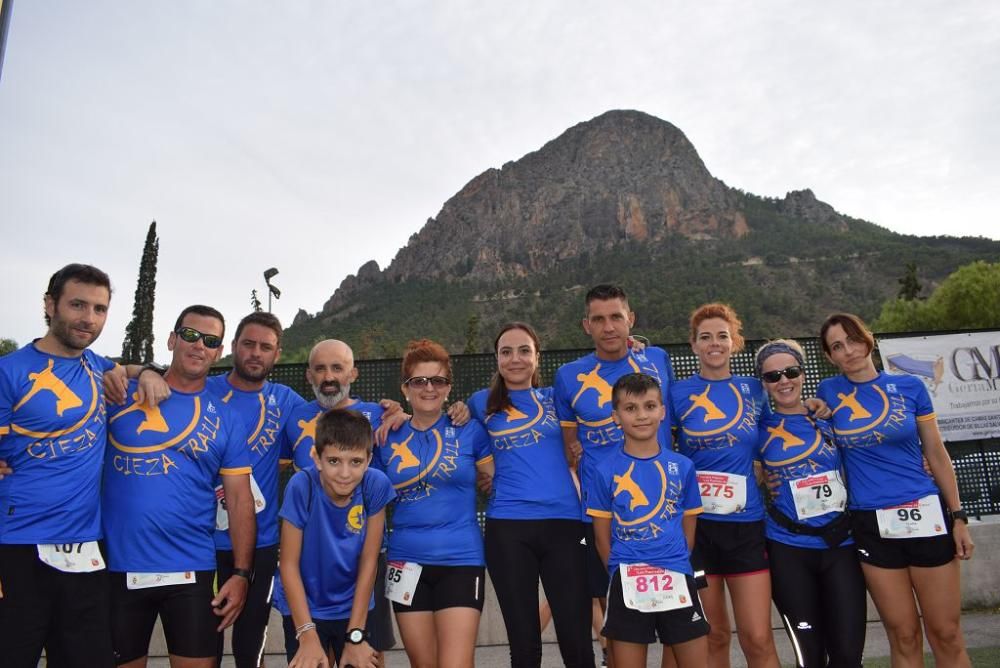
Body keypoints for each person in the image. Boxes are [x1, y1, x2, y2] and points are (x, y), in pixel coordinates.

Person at [102, 305, 256, 668]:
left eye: (210, 340)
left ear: (219, 352)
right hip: (117, 568)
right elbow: (80, 365)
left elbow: (239, 501)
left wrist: (241, 574)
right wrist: (140, 370)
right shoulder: (120, 394)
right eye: (189, 334)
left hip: (191, 571)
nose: (198, 345)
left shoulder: (227, 418)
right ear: (172, 339)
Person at [816, 313, 974, 666]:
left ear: (867, 339)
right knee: (903, 635)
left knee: (946, 633)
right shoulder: (828, 393)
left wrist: (959, 515)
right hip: (871, 525)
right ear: (829, 357)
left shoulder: (910, 387)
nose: (848, 351)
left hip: (927, 516)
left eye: (853, 340)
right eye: (837, 347)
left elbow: (936, 451)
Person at [0, 263, 118, 668]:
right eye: (78, 305)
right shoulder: (8, 372)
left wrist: (149, 372)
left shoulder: (99, 368)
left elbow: (130, 370)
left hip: (85, 549)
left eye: (100, 309)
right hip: (16, 547)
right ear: (50, 305)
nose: (89, 318)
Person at [553, 284, 674, 666]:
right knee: (620, 625)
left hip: (665, 509)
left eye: (616, 317)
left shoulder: (656, 359)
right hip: (607, 514)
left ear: (630, 319)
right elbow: (570, 446)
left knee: (679, 625)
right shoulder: (568, 376)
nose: (609, 327)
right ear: (586, 325)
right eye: (599, 319)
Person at [467, 322, 594, 668]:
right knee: (523, 643)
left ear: (538, 357)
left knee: (577, 637)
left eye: (524, 350)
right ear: (496, 359)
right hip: (508, 529)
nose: (515, 359)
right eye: (506, 352)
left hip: (566, 526)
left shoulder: (558, 397)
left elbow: (607, 389)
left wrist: (634, 350)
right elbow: (454, 438)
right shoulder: (479, 403)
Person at [371, 339, 494, 668]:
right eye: (419, 381)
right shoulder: (385, 435)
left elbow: (496, 481)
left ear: (448, 387)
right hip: (404, 563)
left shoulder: (469, 430)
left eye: (437, 380)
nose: (429, 388)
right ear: (405, 388)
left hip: (461, 558)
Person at [669, 303, 779, 667]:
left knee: (758, 638)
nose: (714, 343)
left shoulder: (754, 389)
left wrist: (817, 407)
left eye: (722, 336)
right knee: (713, 635)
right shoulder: (677, 393)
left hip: (746, 527)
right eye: (705, 337)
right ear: (694, 345)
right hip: (698, 528)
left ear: (735, 342)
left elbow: (781, 429)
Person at [754, 339, 865, 667]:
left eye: (790, 371)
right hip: (788, 549)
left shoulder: (830, 417)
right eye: (773, 376)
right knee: (811, 657)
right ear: (763, 383)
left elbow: (871, 454)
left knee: (847, 655)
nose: (783, 381)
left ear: (803, 374)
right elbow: (739, 473)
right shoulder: (757, 430)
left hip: (840, 545)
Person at [206, 312, 306, 668]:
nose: (255, 353)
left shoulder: (287, 400)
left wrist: (392, 413)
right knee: (203, 646)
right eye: (248, 344)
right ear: (232, 347)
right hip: (200, 543)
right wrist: (144, 372)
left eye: (266, 347)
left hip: (259, 544)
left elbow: (337, 417)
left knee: (251, 648)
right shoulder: (205, 388)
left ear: (277, 355)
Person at [588, 373, 708, 668]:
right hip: (627, 582)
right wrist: (621, 570)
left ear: (662, 411)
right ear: (616, 416)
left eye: (649, 406)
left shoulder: (682, 466)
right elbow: (602, 537)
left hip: (677, 578)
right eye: (631, 409)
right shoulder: (604, 471)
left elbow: (688, 530)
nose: (641, 415)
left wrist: (672, 560)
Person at [279, 408, 395, 668]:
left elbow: (369, 561)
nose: (344, 473)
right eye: (334, 461)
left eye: (355, 462)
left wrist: (355, 636)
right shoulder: (301, 486)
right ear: (317, 458)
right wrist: (307, 633)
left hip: (355, 605)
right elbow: (288, 564)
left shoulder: (375, 485)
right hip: (306, 608)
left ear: (368, 460)